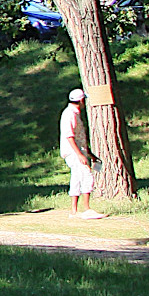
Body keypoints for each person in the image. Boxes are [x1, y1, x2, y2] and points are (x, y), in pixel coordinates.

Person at [61, 88, 106, 219]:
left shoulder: (74, 113)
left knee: (76, 178)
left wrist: (89, 154)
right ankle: (87, 209)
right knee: (87, 176)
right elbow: (69, 136)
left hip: (78, 151)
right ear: (81, 100)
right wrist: (80, 155)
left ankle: (74, 211)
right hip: (73, 152)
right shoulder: (69, 114)